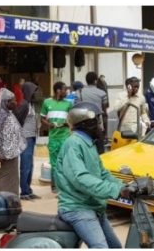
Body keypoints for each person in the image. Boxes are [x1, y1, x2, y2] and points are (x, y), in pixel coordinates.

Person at [56, 101, 130, 248]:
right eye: (97, 121)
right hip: (77, 207)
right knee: (101, 248)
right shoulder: (74, 144)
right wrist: (115, 190)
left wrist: (124, 186)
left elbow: (102, 173)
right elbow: (80, 178)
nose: (101, 126)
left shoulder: (89, 144)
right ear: (87, 124)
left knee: (115, 247)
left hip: (93, 206)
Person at [0, 88, 26, 196]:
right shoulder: (0, 116)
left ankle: (12, 200)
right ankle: (6, 201)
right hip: (3, 156)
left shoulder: (8, 114)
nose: (16, 103)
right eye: (13, 101)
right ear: (6, 102)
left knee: (13, 180)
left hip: (12, 154)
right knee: (6, 179)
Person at [40, 81, 72, 193]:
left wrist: (66, 123)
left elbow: (71, 119)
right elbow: (42, 119)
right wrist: (49, 125)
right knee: (54, 163)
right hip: (53, 138)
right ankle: (54, 187)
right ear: (58, 91)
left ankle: (65, 186)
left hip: (65, 137)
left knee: (65, 162)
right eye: (64, 89)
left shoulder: (68, 104)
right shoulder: (46, 102)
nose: (66, 91)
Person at [14, 81, 41, 200]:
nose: (35, 93)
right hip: (25, 138)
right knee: (25, 166)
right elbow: (17, 120)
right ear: (28, 91)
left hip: (32, 137)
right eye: (33, 91)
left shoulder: (31, 104)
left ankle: (28, 190)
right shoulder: (23, 104)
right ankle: (24, 192)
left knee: (30, 165)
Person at [78, 72, 109, 154]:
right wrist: (105, 133)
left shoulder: (79, 92)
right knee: (100, 152)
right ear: (95, 81)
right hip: (97, 125)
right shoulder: (102, 93)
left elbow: (76, 109)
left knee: (85, 150)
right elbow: (104, 113)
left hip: (82, 125)